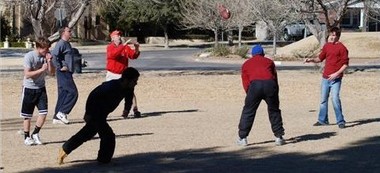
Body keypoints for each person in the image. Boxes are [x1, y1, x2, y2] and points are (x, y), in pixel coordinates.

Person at [57, 67, 140, 165]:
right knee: (108, 136)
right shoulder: (111, 86)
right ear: (126, 80)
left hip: (103, 113)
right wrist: (88, 113)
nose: (136, 83)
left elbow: (129, 98)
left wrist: (126, 109)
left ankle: (65, 149)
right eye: (134, 81)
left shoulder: (128, 88)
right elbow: (93, 95)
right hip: (95, 112)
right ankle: (103, 160)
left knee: (88, 133)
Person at [237, 45, 285, 146]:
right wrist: (275, 92)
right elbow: (274, 77)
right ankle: (279, 137)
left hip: (255, 86)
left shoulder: (246, 64)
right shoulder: (269, 62)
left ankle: (243, 138)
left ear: (252, 54)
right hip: (270, 85)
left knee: (248, 111)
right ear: (263, 53)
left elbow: (245, 81)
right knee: (274, 110)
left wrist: (249, 93)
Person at [304, 27, 349, 129]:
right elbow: (319, 58)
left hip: (336, 79)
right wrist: (310, 60)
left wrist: (336, 74)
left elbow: (345, 64)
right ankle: (322, 120)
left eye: (334, 35)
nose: (332, 37)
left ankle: (340, 121)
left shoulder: (342, 48)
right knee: (323, 100)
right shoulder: (327, 46)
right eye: (331, 35)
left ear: (338, 36)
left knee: (335, 99)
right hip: (325, 78)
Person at [20, 37, 55, 145]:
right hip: (29, 89)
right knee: (27, 115)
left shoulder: (46, 57)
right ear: (39, 47)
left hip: (41, 88)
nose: (47, 51)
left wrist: (49, 61)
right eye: (45, 49)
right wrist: (41, 70)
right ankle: (26, 137)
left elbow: (52, 73)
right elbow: (27, 74)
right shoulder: (29, 57)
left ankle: (35, 133)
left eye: (48, 48)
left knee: (43, 112)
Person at [106, 30, 141, 118]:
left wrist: (136, 48)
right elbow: (114, 55)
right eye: (117, 35)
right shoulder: (110, 47)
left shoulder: (125, 47)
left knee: (130, 91)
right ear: (112, 38)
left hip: (123, 74)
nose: (119, 37)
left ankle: (134, 110)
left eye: (120, 35)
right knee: (108, 93)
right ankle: (103, 110)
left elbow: (133, 56)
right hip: (112, 74)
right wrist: (124, 45)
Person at [51, 26, 78, 124]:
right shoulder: (61, 43)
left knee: (63, 94)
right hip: (63, 73)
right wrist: (59, 66)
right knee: (73, 93)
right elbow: (54, 55)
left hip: (67, 73)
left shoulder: (67, 43)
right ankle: (62, 112)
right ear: (63, 33)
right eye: (69, 31)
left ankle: (56, 117)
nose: (71, 32)